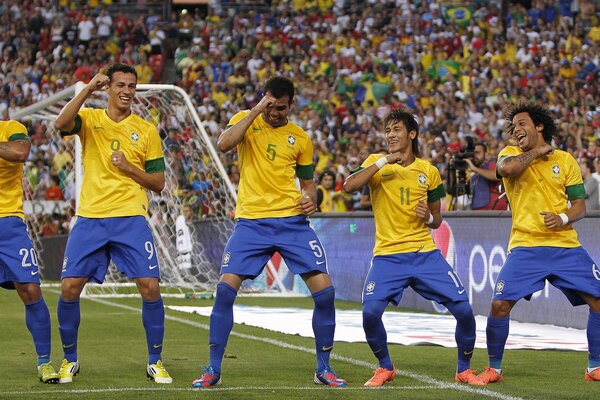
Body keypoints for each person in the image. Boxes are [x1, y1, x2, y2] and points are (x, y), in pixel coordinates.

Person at [192, 76, 346, 388]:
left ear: (292, 105)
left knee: (325, 293)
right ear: (264, 99)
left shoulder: (300, 138)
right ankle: (212, 369)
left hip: (292, 223)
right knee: (224, 291)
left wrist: (311, 200)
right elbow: (223, 144)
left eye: (281, 107)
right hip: (251, 223)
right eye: (271, 105)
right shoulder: (244, 122)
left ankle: (323, 368)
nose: (275, 112)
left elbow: (309, 184)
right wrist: (256, 110)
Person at [343, 110, 484, 387]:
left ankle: (463, 369)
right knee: (370, 313)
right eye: (388, 131)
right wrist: (384, 161)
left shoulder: (428, 171)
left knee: (464, 311)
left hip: (424, 255)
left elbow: (436, 220)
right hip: (387, 257)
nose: (391, 135)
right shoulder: (376, 163)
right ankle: (385, 367)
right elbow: (349, 186)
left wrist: (428, 217)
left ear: (412, 134)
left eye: (397, 130)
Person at [54, 63, 172, 384]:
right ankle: (69, 360)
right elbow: (61, 123)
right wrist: (87, 90)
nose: (126, 91)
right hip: (91, 216)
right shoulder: (90, 120)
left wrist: (130, 169)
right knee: (69, 288)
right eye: (120, 85)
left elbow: (159, 183)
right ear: (108, 88)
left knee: (150, 287)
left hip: (130, 217)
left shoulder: (146, 130)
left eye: (131, 86)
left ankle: (155, 361)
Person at [478, 102, 600, 384]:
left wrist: (561, 217)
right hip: (526, 245)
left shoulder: (566, 161)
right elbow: (507, 170)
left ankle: (594, 367)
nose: (516, 131)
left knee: (597, 299)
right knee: (499, 306)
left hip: (565, 245)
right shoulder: (509, 154)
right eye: (513, 127)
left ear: (539, 126)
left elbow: (579, 206)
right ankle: (494, 369)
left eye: (521, 124)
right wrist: (536, 152)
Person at [0, 120, 59, 384]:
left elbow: (20, 152)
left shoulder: (11, 127)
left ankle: (44, 362)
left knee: (31, 290)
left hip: (9, 224)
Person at [465, 142, 507, 210]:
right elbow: (461, 191)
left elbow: (496, 175)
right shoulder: (474, 175)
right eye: (473, 154)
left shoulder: (491, 163)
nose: (474, 156)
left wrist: (474, 169)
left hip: (494, 209)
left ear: (486, 154)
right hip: (477, 211)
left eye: (477, 153)